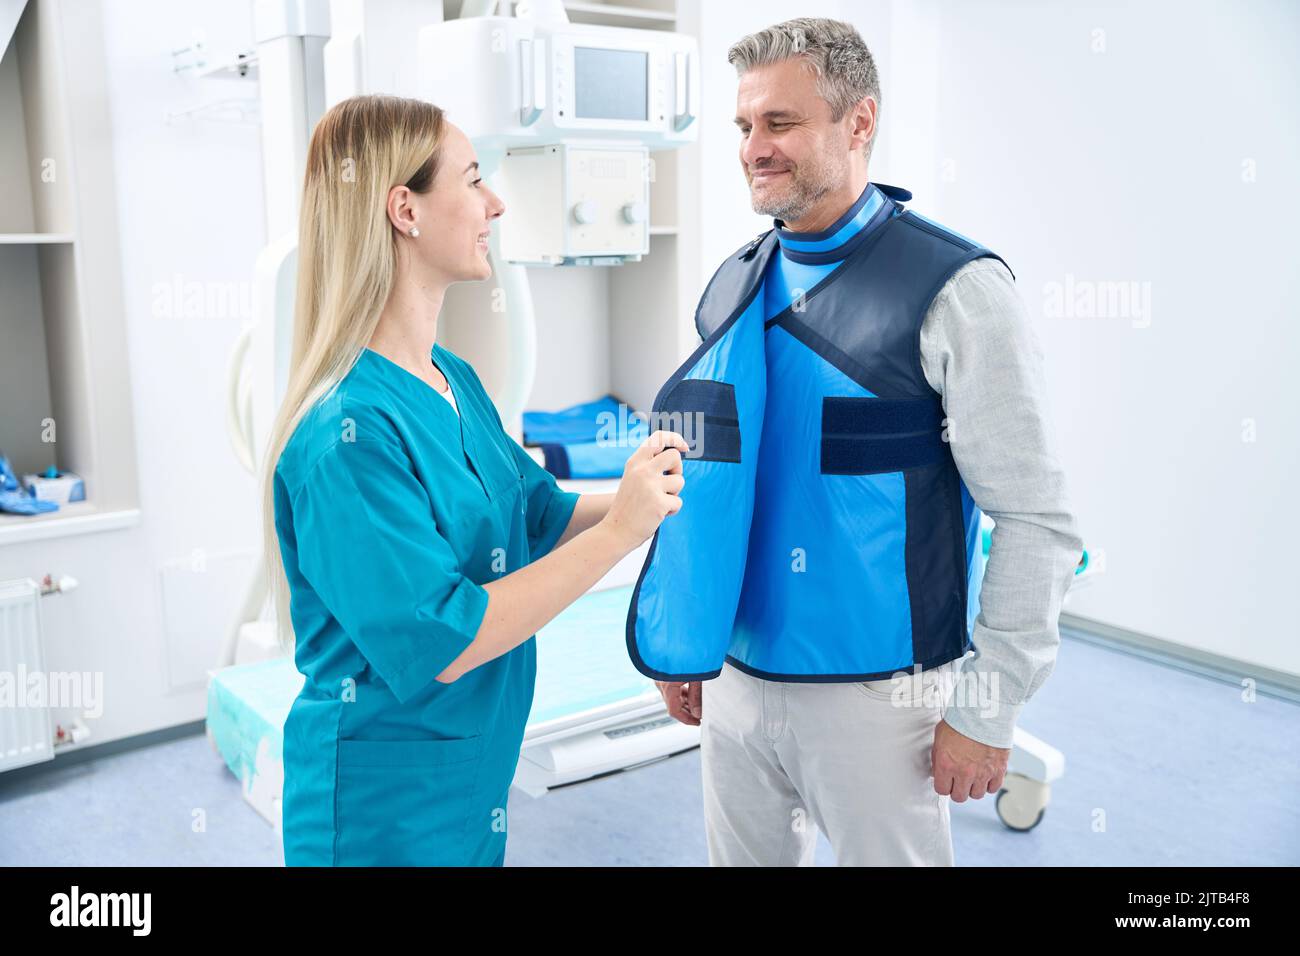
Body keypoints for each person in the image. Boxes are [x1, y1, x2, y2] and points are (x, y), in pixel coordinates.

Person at [651, 18, 1083, 866]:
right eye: (744, 126)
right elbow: (704, 479)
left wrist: (987, 708)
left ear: (859, 123)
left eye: (780, 123)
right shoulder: (730, 285)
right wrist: (684, 628)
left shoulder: (957, 289)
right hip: (733, 683)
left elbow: (1036, 519)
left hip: (882, 704)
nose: (753, 148)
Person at [263, 94, 687, 866]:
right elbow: (446, 639)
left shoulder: (450, 377)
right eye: (473, 179)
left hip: (466, 779)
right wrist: (624, 529)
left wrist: (654, 494)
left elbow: (537, 511)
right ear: (405, 210)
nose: (494, 202)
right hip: (381, 808)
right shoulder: (345, 437)